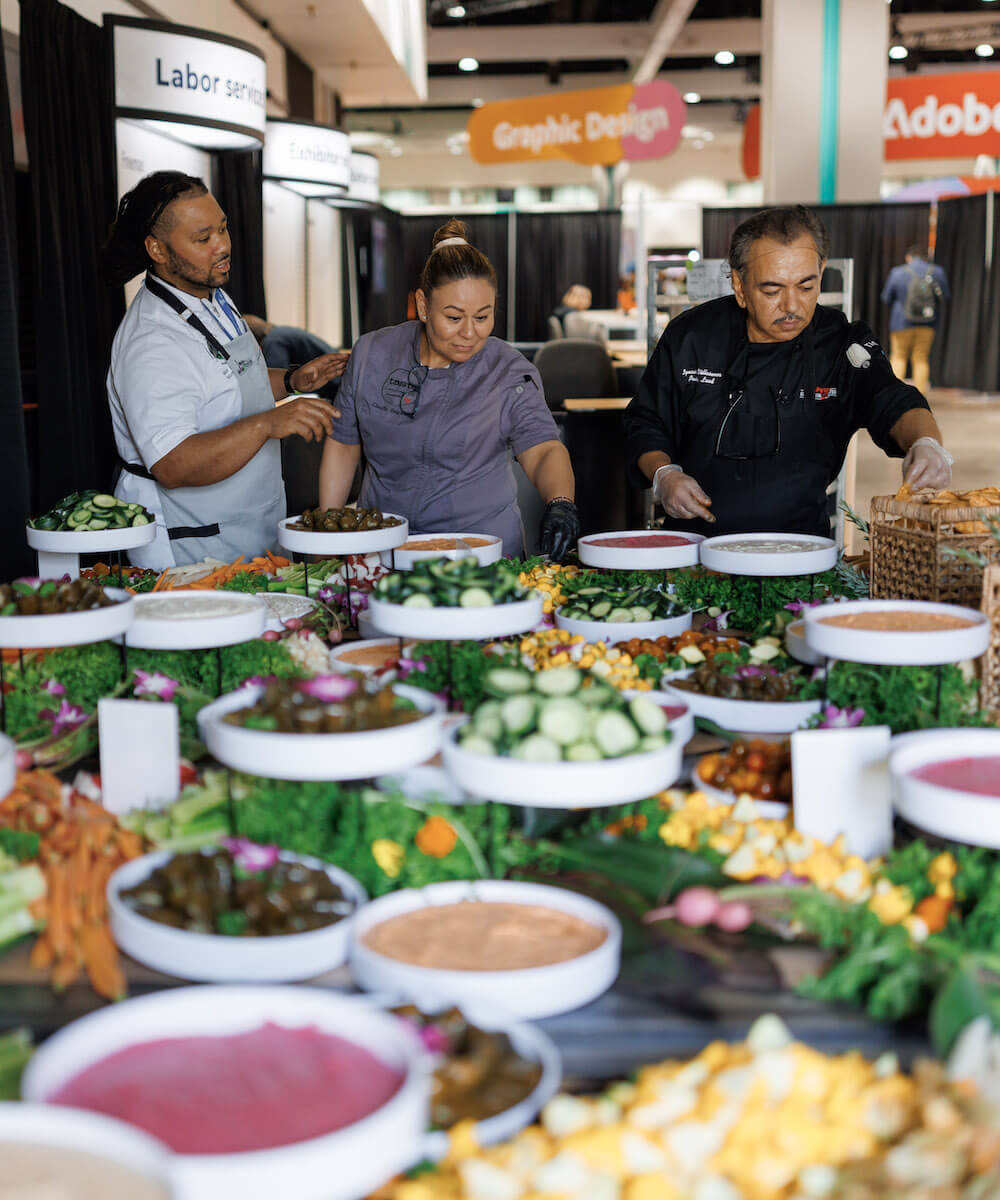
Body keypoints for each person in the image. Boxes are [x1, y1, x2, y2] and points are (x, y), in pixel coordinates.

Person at [624, 205, 953, 536]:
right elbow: (646, 421)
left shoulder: (841, 344)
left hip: (801, 548)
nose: (792, 306)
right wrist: (664, 474)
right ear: (739, 284)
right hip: (695, 546)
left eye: (806, 286)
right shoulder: (691, 336)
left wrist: (926, 443)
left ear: (822, 271)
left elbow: (890, 397)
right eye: (772, 290)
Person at [100, 172, 348, 569]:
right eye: (203, 238)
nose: (223, 245)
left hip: (246, 518)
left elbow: (228, 382)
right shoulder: (151, 341)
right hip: (191, 535)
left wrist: (291, 380)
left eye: (223, 228)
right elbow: (173, 464)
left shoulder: (210, 293)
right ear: (157, 250)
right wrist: (269, 423)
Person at [318, 219, 579, 560]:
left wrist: (560, 503)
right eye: (454, 318)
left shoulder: (509, 370)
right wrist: (324, 536)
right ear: (423, 306)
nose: (470, 333)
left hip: (480, 553)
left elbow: (543, 448)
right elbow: (343, 444)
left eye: (483, 317)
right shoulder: (372, 354)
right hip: (381, 548)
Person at [881, 246, 949, 394]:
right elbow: (945, 297)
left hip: (901, 323)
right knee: (921, 359)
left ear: (908, 258)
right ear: (926, 258)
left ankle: (894, 396)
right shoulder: (937, 272)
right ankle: (918, 399)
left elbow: (886, 297)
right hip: (928, 322)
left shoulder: (897, 272)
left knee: (898, 357)